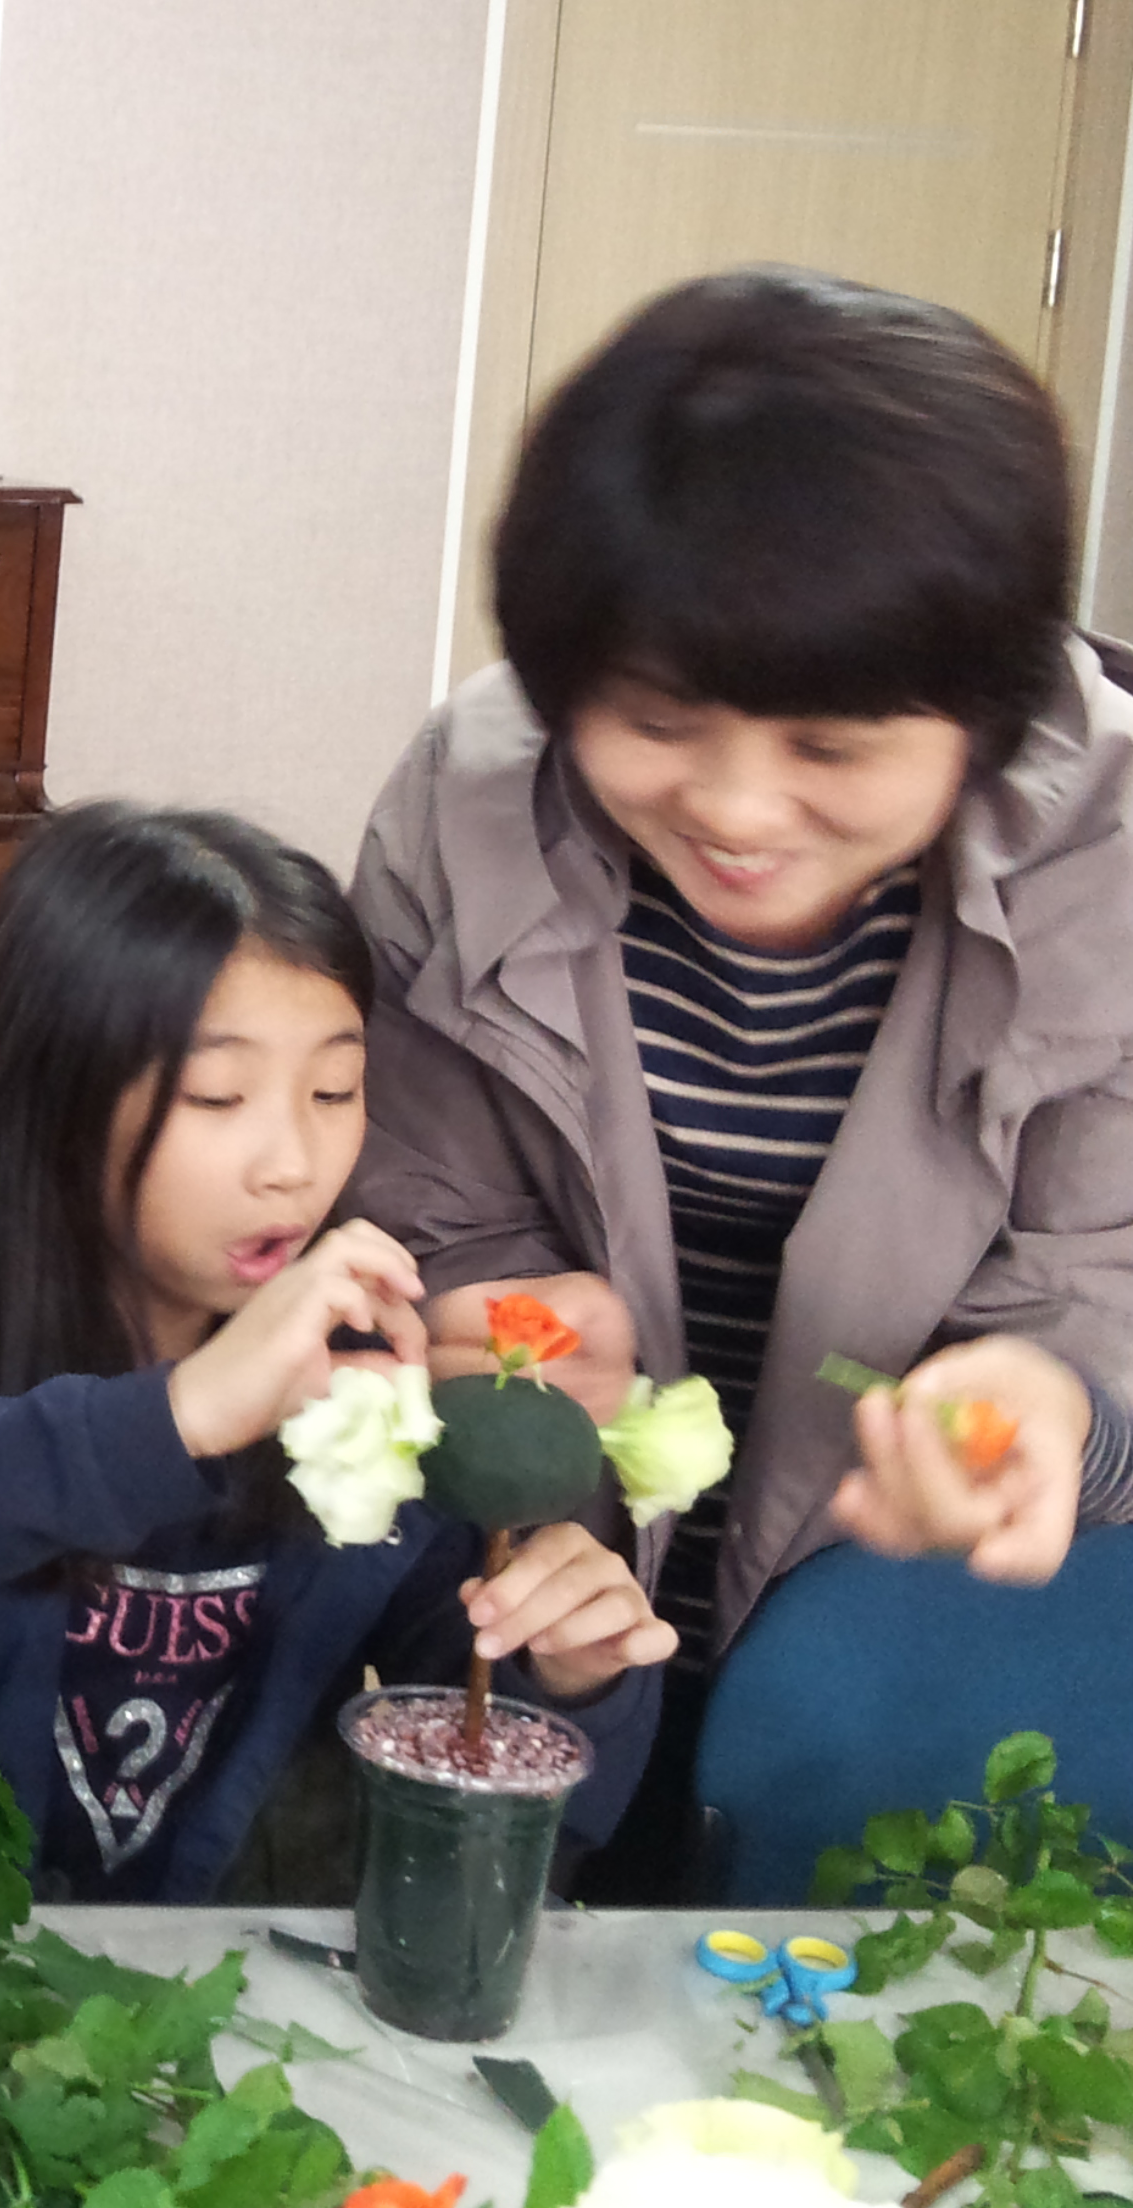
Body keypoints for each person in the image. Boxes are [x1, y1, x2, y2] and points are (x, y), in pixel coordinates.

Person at [346, 266, 1133, 1882]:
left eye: (829, 748)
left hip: (930, 1627)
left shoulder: (1109, 867)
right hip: (570, 1588)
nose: (736, 809)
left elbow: (1097, 1274)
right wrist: (509, 1317)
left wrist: (1038, 1393)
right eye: (654, 720)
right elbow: (427, 1185)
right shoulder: (468, 804)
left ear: (984, 710)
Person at [0, 803, 670, 1900]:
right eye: (217, 1097)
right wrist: (177, 1415)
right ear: (55, 1099)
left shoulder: (371, 1378)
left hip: (253, 1957)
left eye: (334, 1091)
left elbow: (497, 1796)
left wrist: (567, 1678)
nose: (293, 1164)